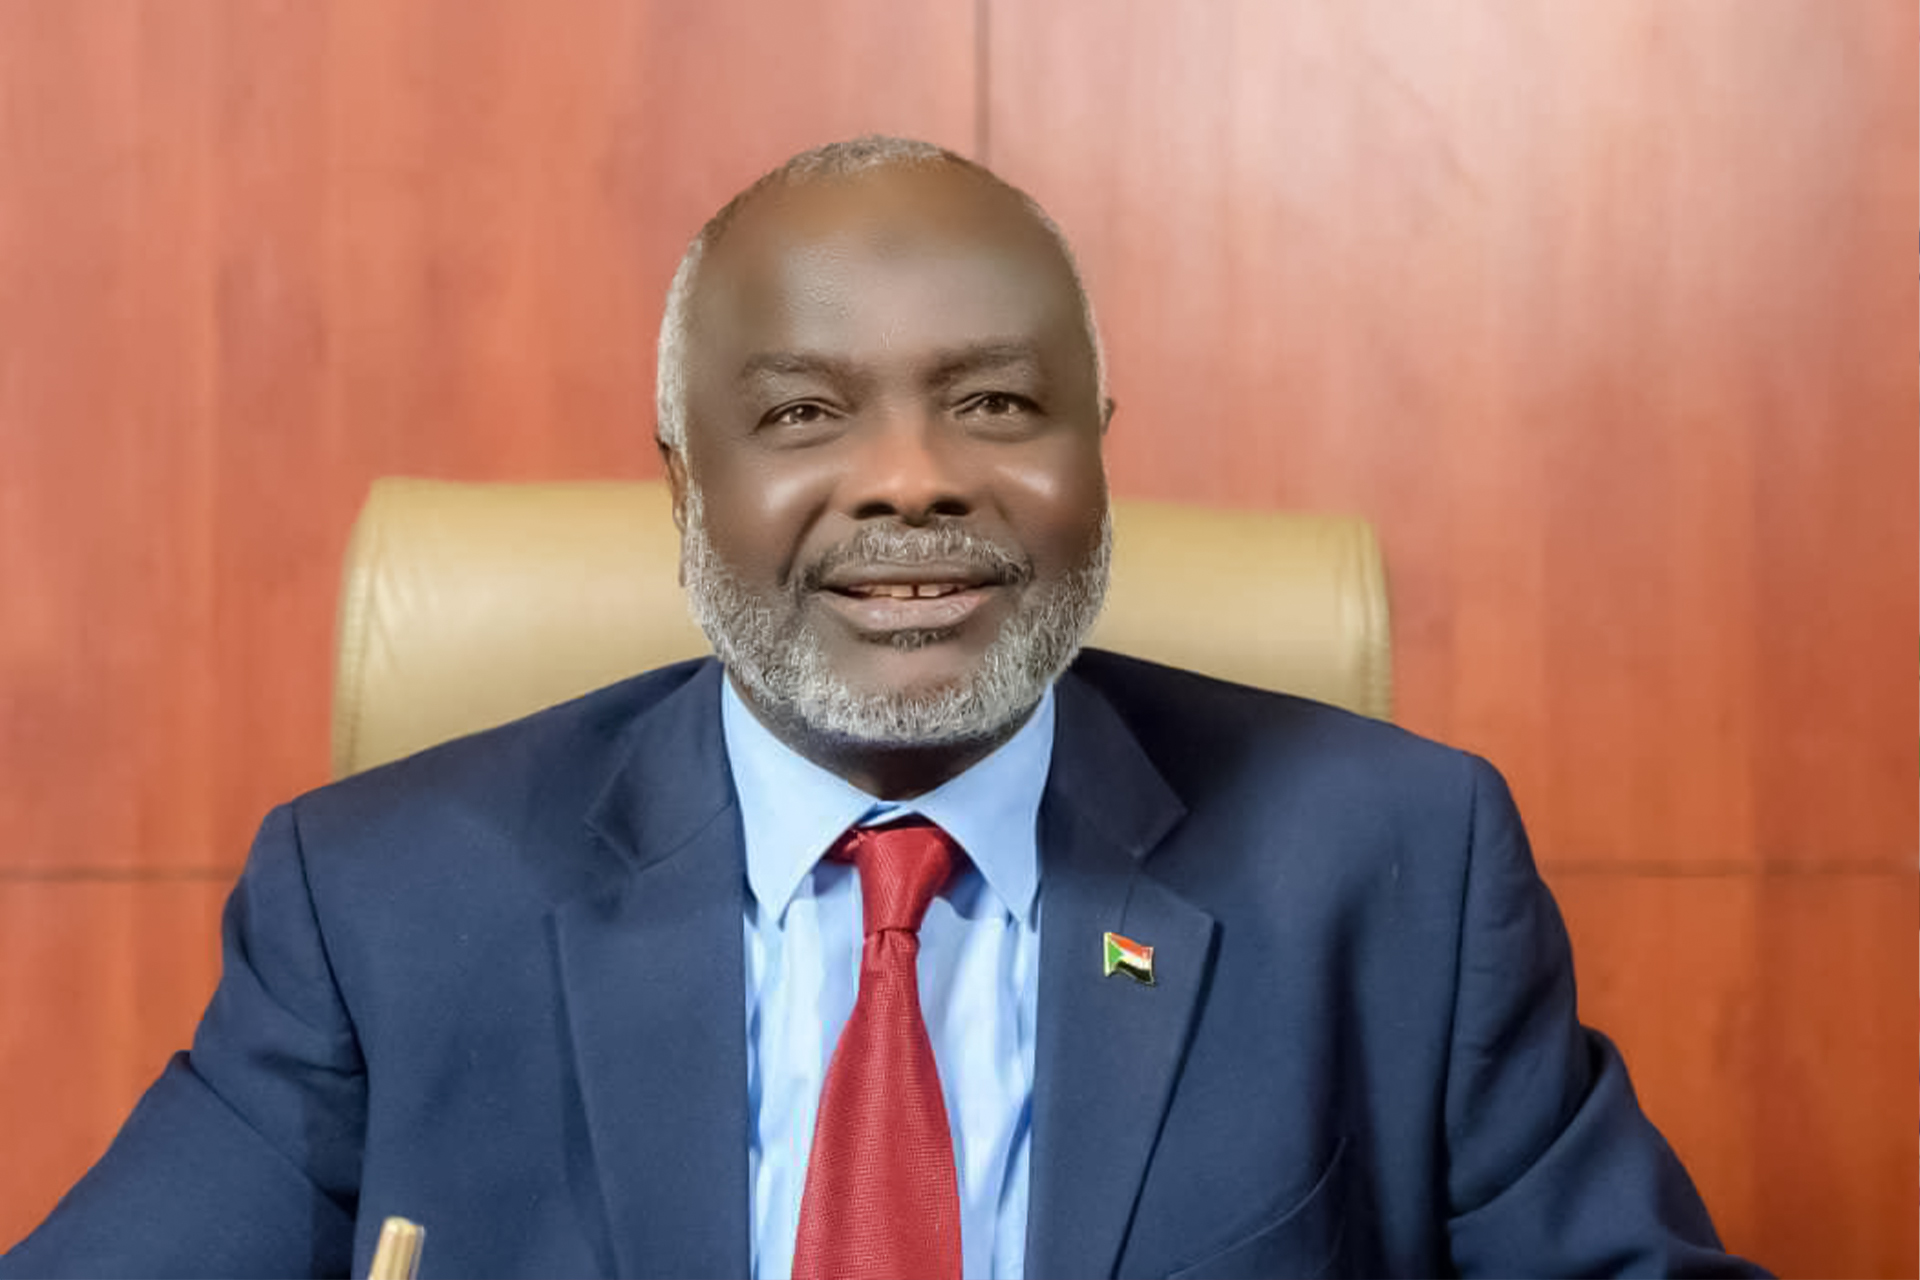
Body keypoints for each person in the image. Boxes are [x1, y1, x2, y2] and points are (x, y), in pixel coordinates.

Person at [2, 136, 1765, 1279]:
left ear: (1097, 455)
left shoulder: (1397, 870)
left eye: (996, 404)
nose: (914, 478)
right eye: (802, 414)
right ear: (682, 482)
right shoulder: (383, 903)